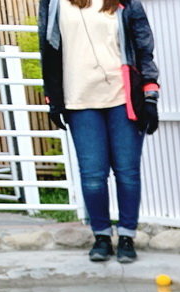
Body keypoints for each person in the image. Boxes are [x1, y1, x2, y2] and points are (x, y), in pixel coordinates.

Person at [38, 0, 159, 264]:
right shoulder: (53, 3)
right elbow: (47, 49)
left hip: (122, 97)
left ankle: (127, 236)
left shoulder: (125, 3)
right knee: (93, 175)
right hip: (78, 100)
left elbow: (143, 48)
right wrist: (52, 98)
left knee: (127, 172)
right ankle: (101, 236)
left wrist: (150, 96)